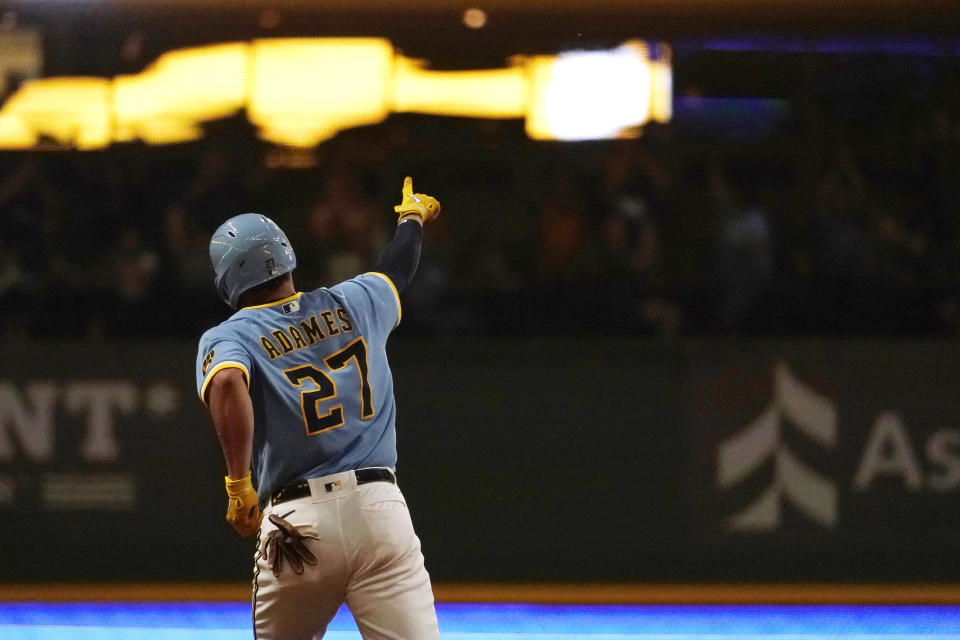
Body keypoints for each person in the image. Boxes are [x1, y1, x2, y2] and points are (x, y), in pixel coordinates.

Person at [195, 177, 442, 640]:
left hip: (297, 522)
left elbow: (227, 380)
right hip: (378, 507)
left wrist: (238, 484)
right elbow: (397, 267)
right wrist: (411, 219)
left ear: (228, 277)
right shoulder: (354, 300)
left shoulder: (230, 335)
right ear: (287, 255)